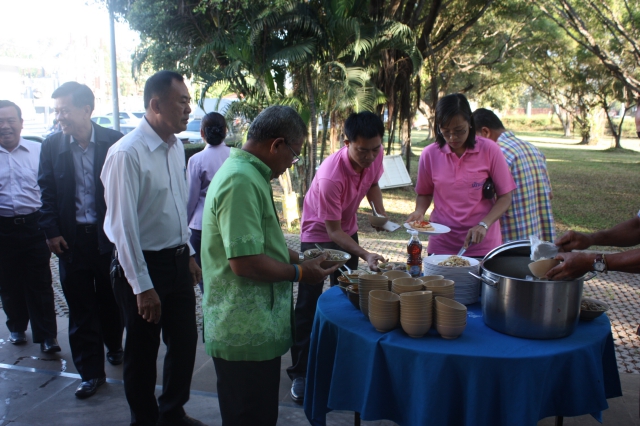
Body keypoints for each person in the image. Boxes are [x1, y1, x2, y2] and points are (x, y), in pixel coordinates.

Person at [200, 105, 340, 426]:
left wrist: (302, 258)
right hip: (242, 329)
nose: (292, 163)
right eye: (294, 154)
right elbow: (245, 262)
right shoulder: (240, 180)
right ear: (277, 145)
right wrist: (302, 273)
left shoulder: (252, 174)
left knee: (260, 415)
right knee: (248, 417)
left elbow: (262, 244)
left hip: (257, 328)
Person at [101, 71, 205, 426]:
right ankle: (144, 420)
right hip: (141, 266)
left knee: (185, 341)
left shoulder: (175, 147)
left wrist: (188, 253)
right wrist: (142, 286)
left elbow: (173, 208)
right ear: (156, 104)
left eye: (189, 101)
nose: (189, 109)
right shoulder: (126, 153)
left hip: (176, 261)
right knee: (142, 352)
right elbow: (123, 227)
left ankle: (172, 412)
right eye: (182, 102)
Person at [288, 111, 388, 404]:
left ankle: (341, 362)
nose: (370, 156)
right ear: (347, 143)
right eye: (362, 150)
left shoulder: (375, 153)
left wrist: (379, 213)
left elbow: (372, 183)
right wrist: (366, 253)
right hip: (319, 234)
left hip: (348, 230)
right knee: (309, 302)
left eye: (375, 149)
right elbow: (332, 232)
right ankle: (301, 373)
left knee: (348, 297)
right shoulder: (331, 175)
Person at [38, 82, 125, 399]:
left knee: (112, 300)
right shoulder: (51, 146)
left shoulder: (114, 142)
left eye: (65, 110)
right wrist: (51, 231)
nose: (59, 117)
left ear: (87, 110)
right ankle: (91, 373)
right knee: (80, 308)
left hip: (108, 240)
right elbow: (46, 192)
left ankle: (114, 344)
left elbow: (127, 191)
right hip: (71, 242)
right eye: (56, 111)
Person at [407, 94, 515, 257]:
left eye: (459, 131)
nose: (452, 138)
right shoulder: (430, 154)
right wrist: (419, 211)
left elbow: (505, 196)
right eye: (446, 132)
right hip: (442, 244)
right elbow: (425, 193)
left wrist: (484, 224)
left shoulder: (490, 150)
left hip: (482, 244)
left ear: (470, 122)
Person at [0, 100, 59, 353]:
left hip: (35, 225)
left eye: (10, 120)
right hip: (3, 227)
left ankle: (47, 336)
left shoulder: (38, 151)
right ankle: (16, 326)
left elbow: (51, 189)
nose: (5, 126)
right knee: (8, 281)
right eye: (0, 122)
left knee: (40, 281)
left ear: (21, 123)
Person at [472, 108, 555, 242]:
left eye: (474, 139)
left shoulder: (496, 154)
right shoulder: (534, 150)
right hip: (538, 237)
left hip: (511, 240)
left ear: (485, 132)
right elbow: (549, 194)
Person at [186, 112, 230, 293]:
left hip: (201, 226)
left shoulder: (196, 160)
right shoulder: (236, 156)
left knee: (205, 277)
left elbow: (191, 198)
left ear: (202, 133)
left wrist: (184, 224)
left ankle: (209, 307)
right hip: (230, 223)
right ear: (225, 131)